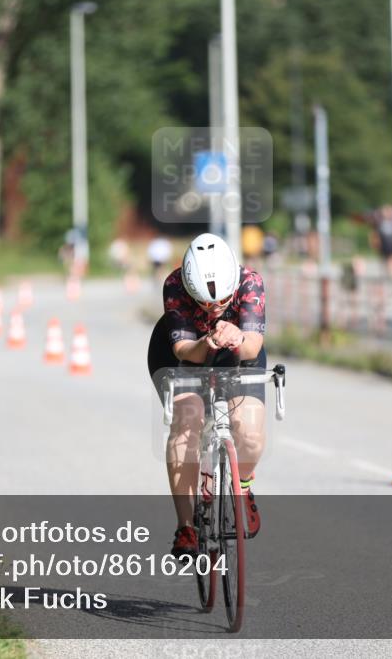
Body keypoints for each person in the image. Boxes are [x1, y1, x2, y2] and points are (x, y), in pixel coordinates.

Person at [146, 233, 267, 558]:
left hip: (239, 349)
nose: (214, 309)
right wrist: (207, 341)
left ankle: (244, 485)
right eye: (205, 303)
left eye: (221, 302)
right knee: (187, 423)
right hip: (182, 353)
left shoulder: (250, 282)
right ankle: (186, 527)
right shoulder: (174, 284)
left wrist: (236, 336)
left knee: (249, 431)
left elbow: (253, 347)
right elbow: (184, 349)